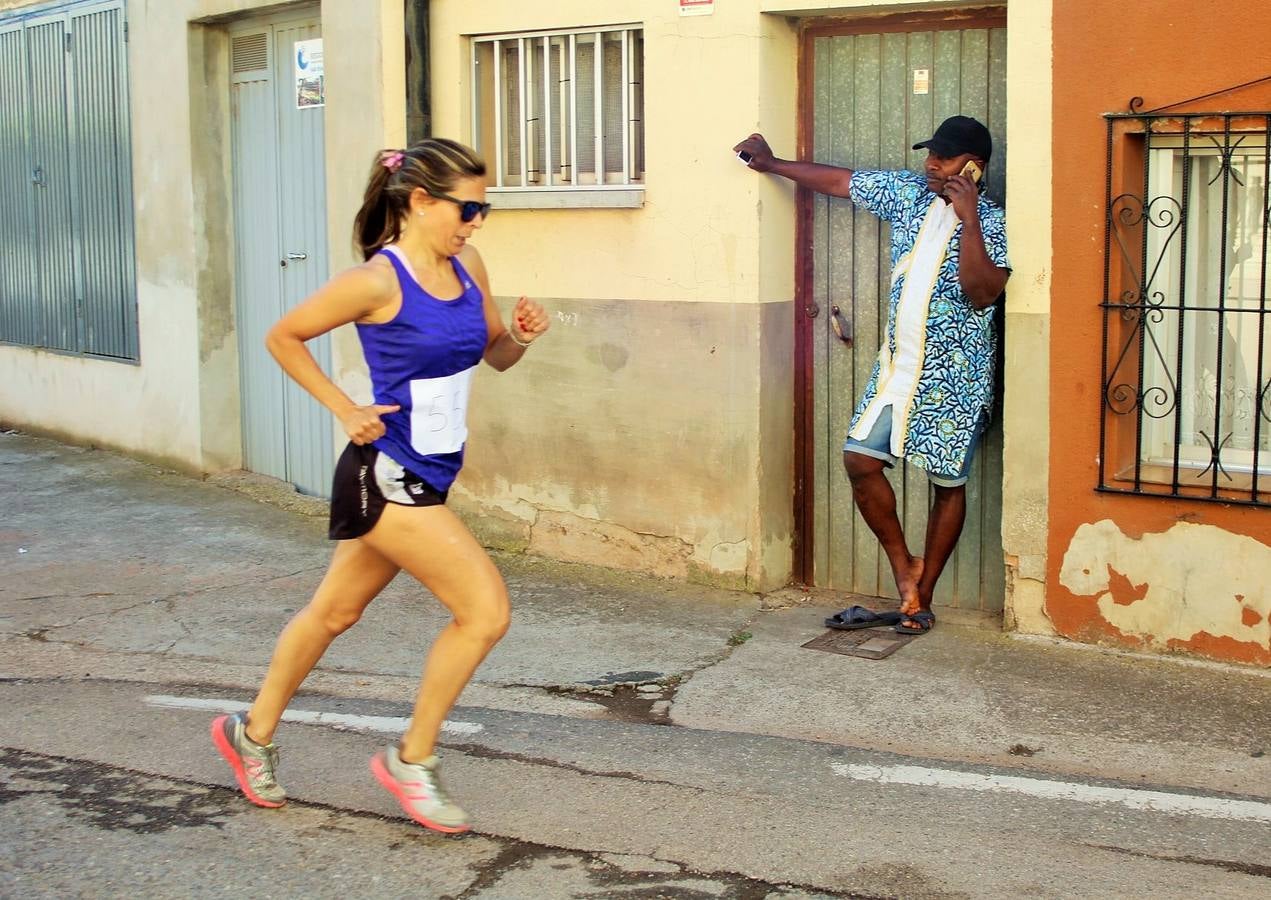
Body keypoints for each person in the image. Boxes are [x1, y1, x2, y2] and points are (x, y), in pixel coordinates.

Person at [210, 138, 548, 834]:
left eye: (483, 210)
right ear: (421, 201)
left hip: (433, 472)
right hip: (387, 476)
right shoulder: (377, 280)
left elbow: (497, 357)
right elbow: (283, 336)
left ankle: (252, 733)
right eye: (468, 208)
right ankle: (411, 760)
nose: (476, 222)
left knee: (333, 614)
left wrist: (517, 335)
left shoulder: (468, 265)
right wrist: (345, 408)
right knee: (484, 612)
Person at [734, 116, 1009, 635]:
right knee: (860, 460)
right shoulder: (909, 194)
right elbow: (841, 181)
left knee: (947, 483)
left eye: (946, 158)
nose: (933, 164)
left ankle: (919, 599)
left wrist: (968, 219)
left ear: (975, 166)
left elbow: (983, 293)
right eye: (932, 154)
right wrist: (771, 164)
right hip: (897, 372)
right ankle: (906, 565)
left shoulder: (994, 223)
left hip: (955, 380)